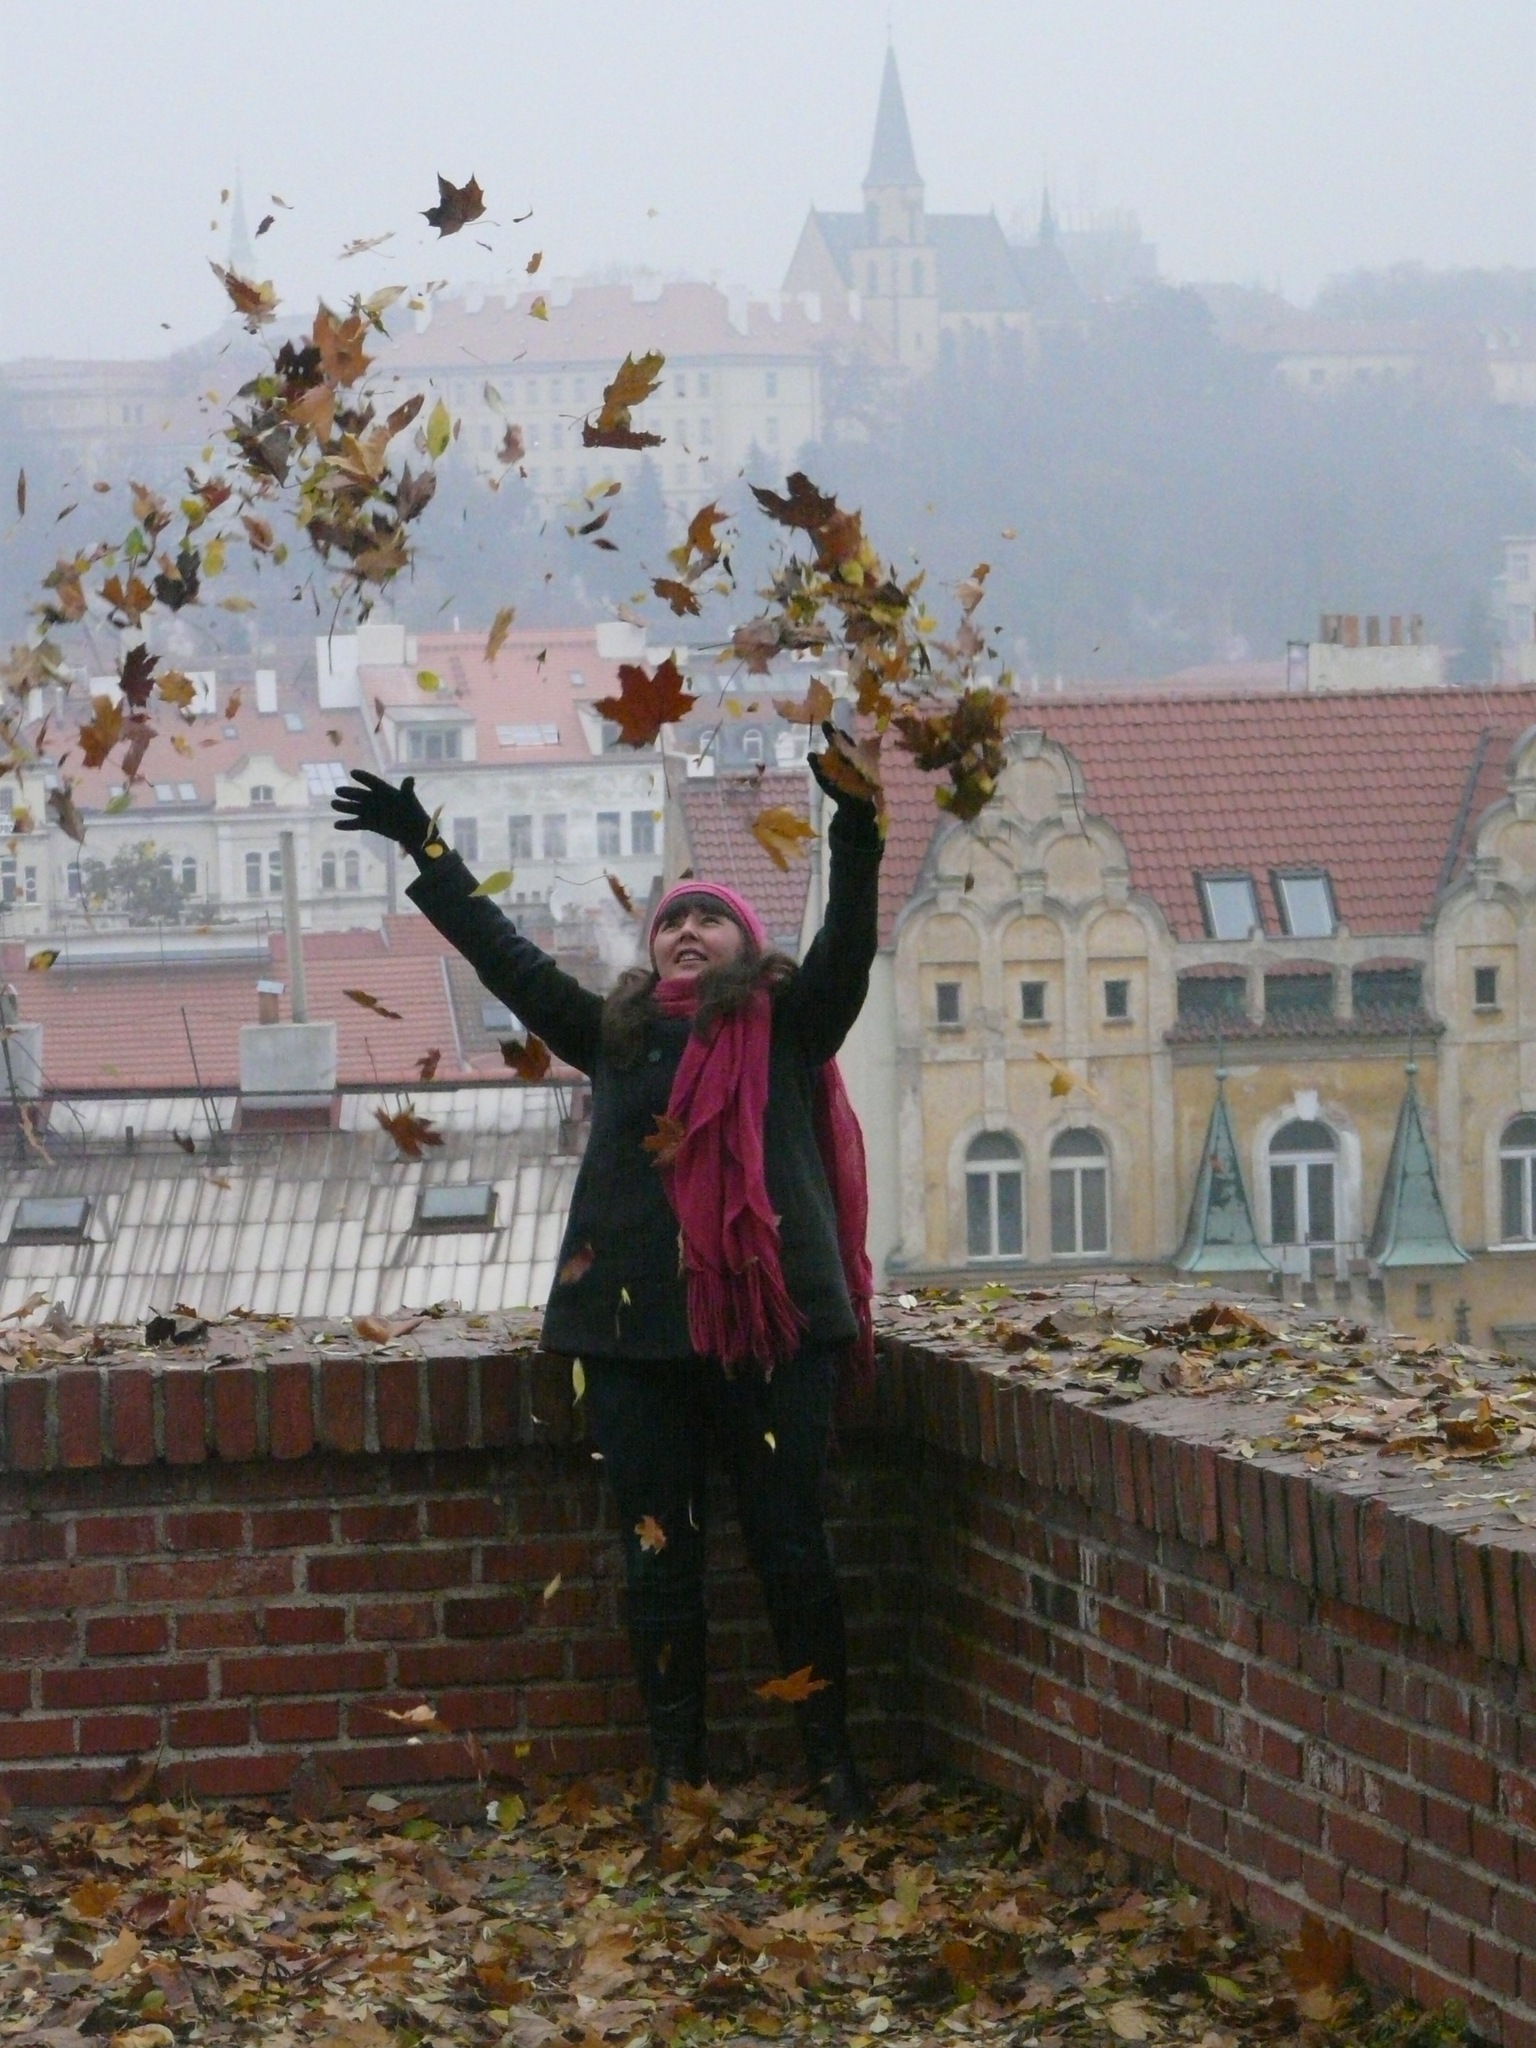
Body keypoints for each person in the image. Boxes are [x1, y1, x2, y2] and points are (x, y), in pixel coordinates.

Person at [332, 739, 883, 1823]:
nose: (688, 930)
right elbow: (507, 959)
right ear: (652, 950)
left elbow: (850, 946)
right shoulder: (614, 1035)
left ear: (746, 947)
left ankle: (834, 1766)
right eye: (673, 919)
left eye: (710, 918)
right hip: (632, 1342)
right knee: (658, 1560)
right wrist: (427, 847)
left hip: (774, 1335)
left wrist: (856, 826)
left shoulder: (790, 1026)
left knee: (793, 1552)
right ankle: (679, 1770)